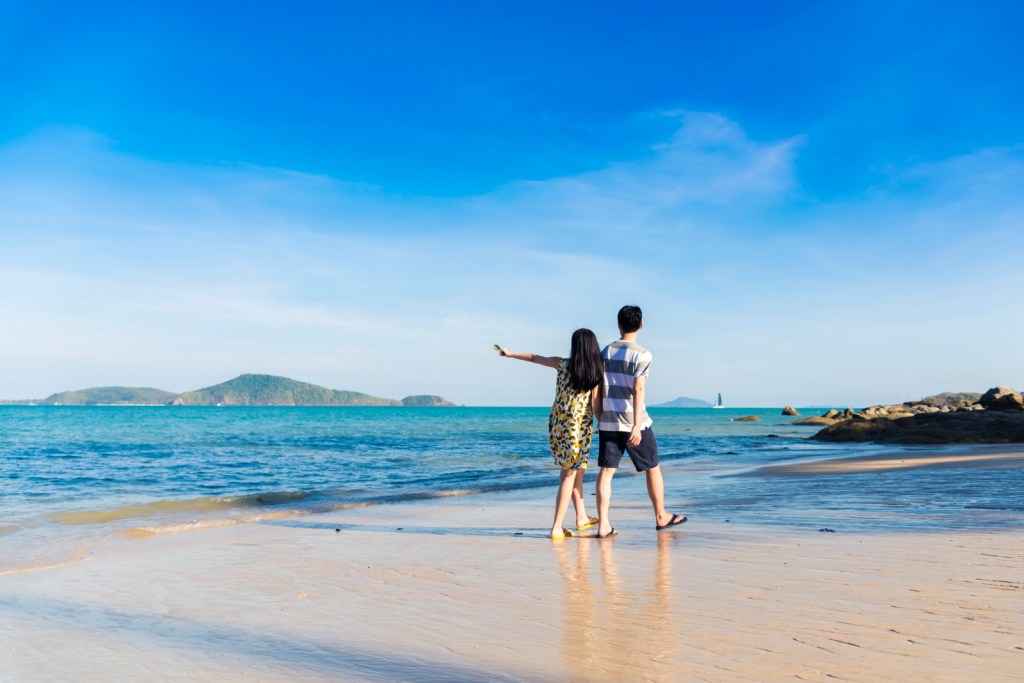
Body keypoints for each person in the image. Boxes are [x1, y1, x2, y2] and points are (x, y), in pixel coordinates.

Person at [500, 329, 604, 539]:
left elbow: (535, 357)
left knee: (577, 471)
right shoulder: (595, 372)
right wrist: (604, 426)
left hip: (559, 424)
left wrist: (510, 354)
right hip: (578, 430)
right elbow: (595, 405)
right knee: (569, 474)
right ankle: (557, 527)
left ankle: (581, 517)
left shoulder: (562, 364)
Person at [595, 305, 686, 538]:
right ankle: (660, 516)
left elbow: (596, 388)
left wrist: (600, 416)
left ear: (618, 325)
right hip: (635, 423)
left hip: (608, 421)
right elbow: (639, 388)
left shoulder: (604, 352)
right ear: (641, 325)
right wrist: (636, 425)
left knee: (606, 472)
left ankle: (603, 525)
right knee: (652, 468)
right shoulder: (643, 354)